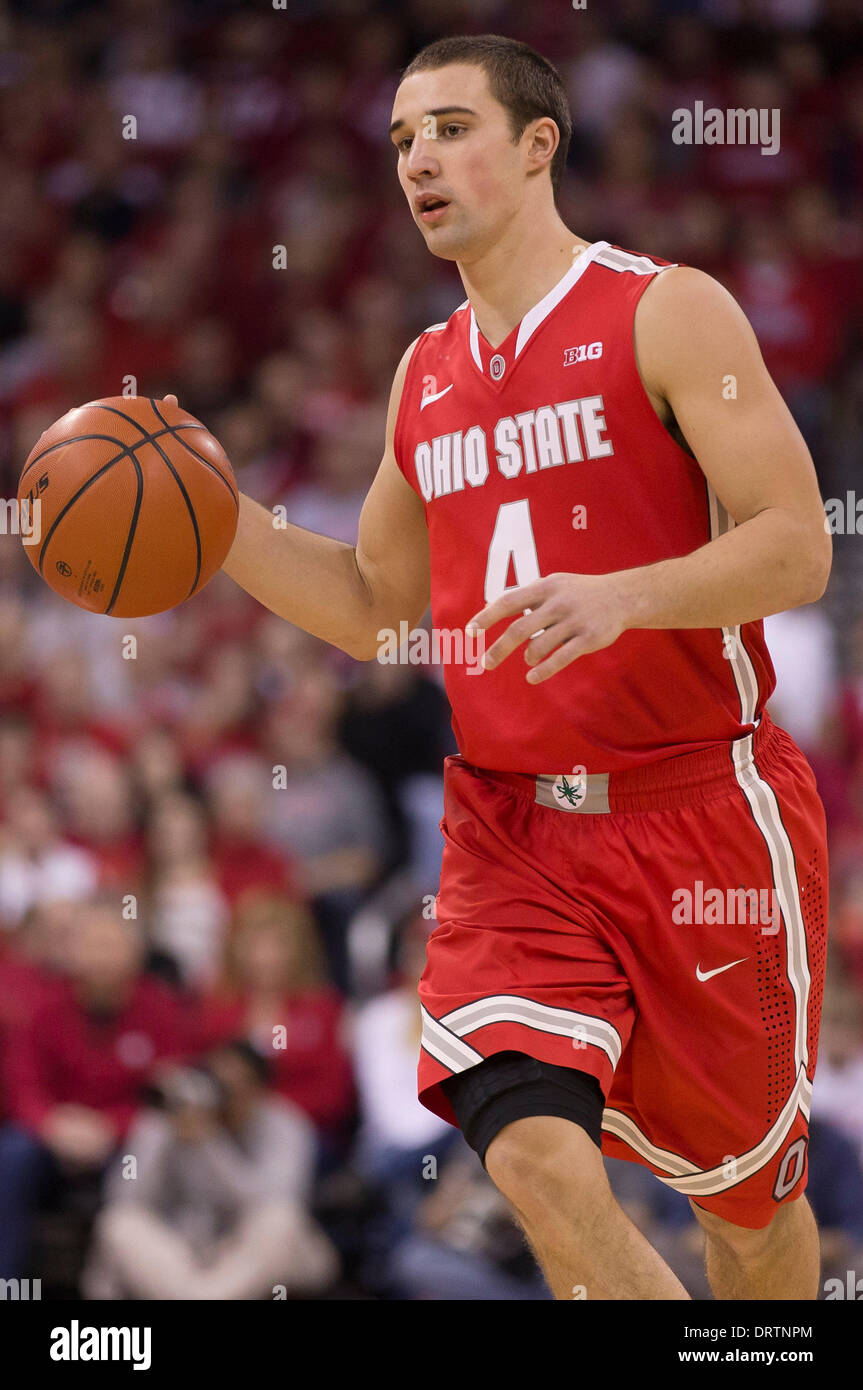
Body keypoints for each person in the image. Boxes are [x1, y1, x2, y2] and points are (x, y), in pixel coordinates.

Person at [177, 34, 831, 1300]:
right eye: (402, 140)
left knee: (747, 1211)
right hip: (513, 827)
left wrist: (623, 596)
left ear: (539, 145)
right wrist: (220, 517)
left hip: (698, 815)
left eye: (451, 127)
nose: (419, 157)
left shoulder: (663, 308)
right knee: (526, 1153)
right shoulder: (422, 376)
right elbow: (376, 610)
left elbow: (798, 546)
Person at [82, 1040, 339, 1300]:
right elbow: (125, 1197)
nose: (225, 1096)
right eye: (217, 1082)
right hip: (186, 1257)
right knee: (119, 1222)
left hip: (251, 1253)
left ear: (260, 1088)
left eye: (234, 1086)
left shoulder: (286, 1126)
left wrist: (209, 1142)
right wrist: (161, 1126)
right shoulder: (171, 1118)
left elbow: (267, 1204)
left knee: (281, 1220)